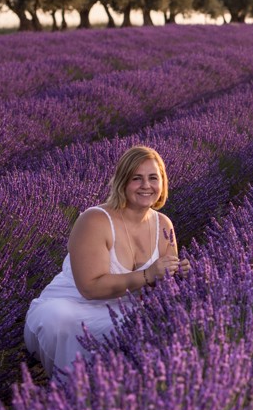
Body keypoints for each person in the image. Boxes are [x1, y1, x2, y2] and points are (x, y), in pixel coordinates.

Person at [25, 145, 189, 378]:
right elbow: (90, 288)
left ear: (162, 183)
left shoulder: (164, 224)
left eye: (153, 178)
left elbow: (160, 284)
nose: (146, 185)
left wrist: (177, 273)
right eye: (136, 178)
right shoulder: (94, 220)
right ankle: (72, 389)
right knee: (60, 320)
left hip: (126, 308)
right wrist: (147, 275)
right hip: (75, 304)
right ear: (122, 182)